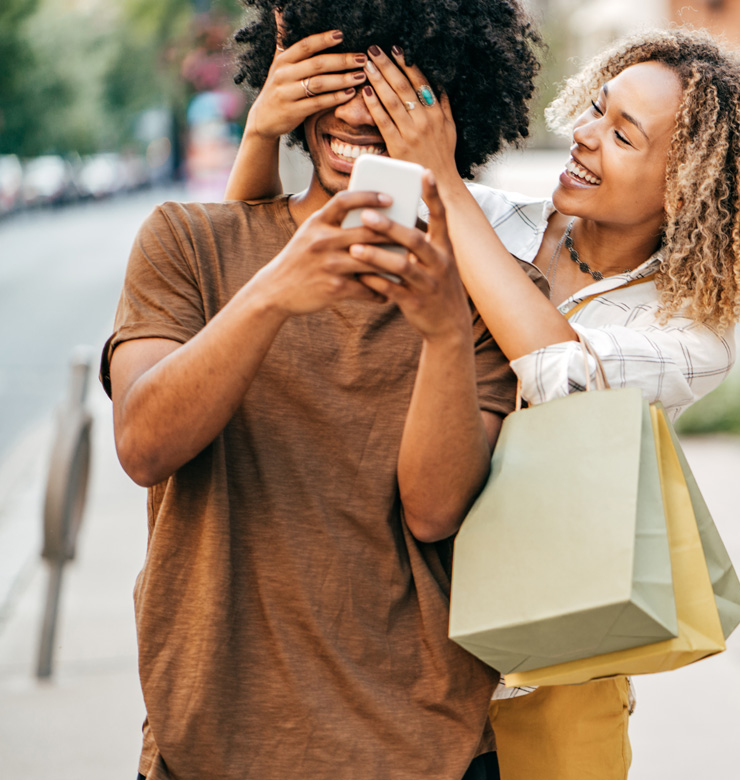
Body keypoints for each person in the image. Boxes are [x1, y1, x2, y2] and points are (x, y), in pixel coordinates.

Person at [226, 25, 740, 779]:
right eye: (595, 108)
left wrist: (443, 187)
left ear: (687, 183)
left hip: (548, 682)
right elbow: (260, 260)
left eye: (621, 134)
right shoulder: (494, 219)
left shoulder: (688, 337)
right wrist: (262, 132)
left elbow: (559, 374)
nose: (582, 135)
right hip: (396, 651)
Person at [100, 1, 544, 778]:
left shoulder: (483, 298)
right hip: (210, 740)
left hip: (424, 746)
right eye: (343, 72)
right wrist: (275, 291)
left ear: (451, 103)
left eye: (394, 82)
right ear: (297, 81)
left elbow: (434, 511)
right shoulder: (187, 242)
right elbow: (143, 445)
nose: (356, 110)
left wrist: (442, 331)